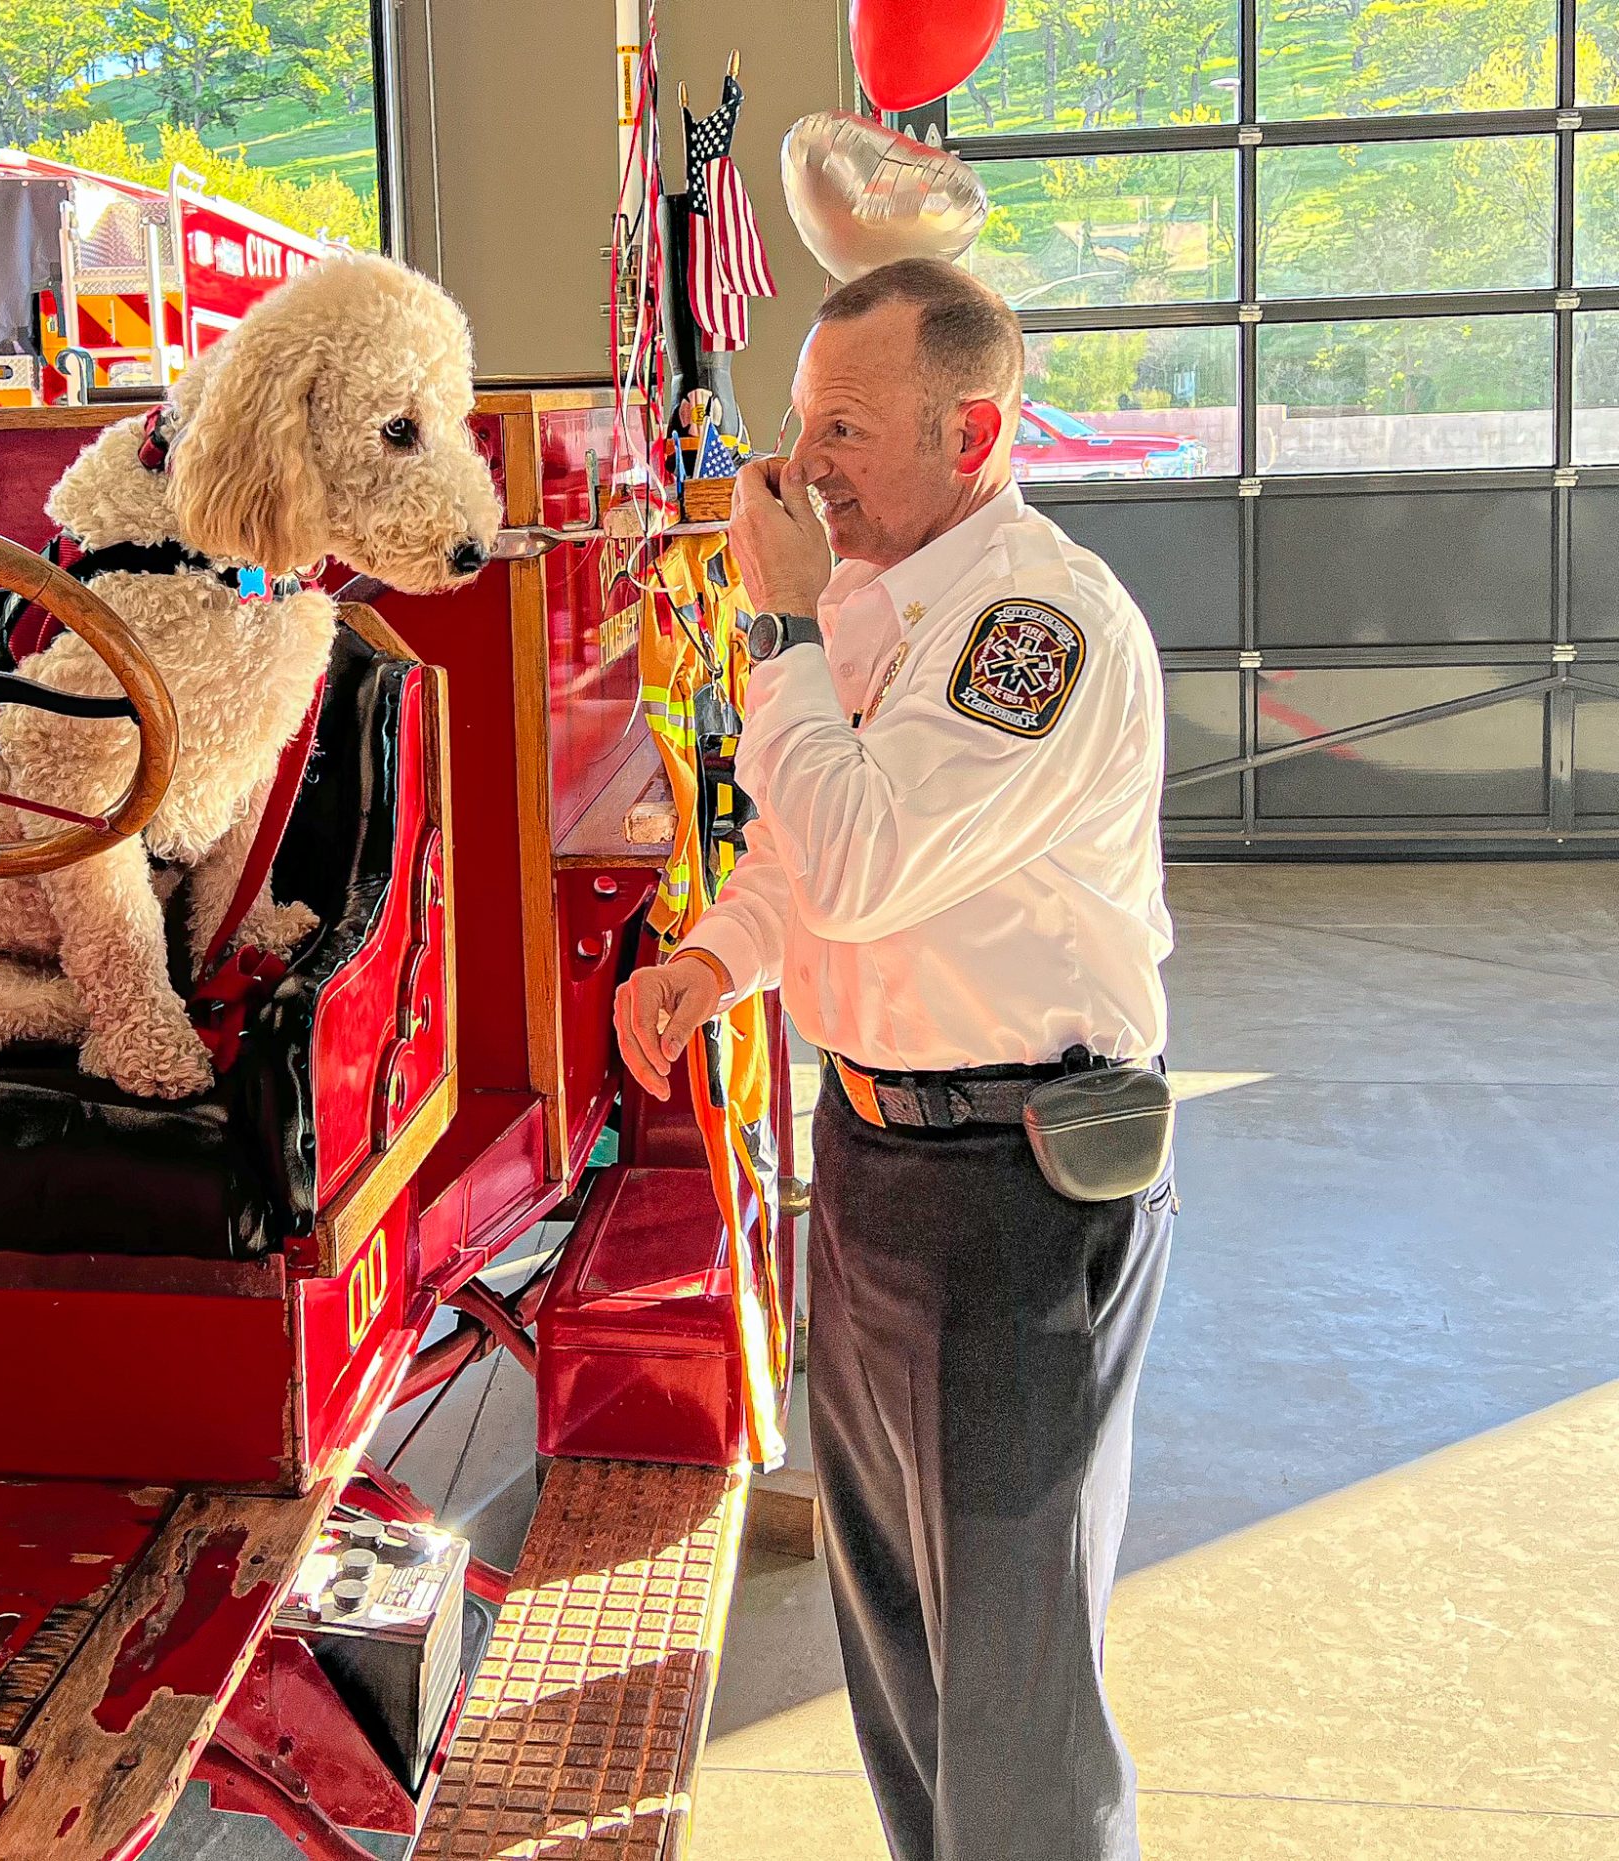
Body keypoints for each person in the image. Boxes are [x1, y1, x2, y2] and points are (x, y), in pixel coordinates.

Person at [612, 256, 1174, 1861]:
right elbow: (810, 855)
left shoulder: (1034, 628)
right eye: (800, 423)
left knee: (1013, 1693)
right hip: (872, 1154)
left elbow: (864, 850)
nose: (801, 468)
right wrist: (715, 960)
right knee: (900, 1652)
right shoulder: (879, 601)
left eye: (844, 428)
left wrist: (779, 620)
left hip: (1019, 1188)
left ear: (976, 430)